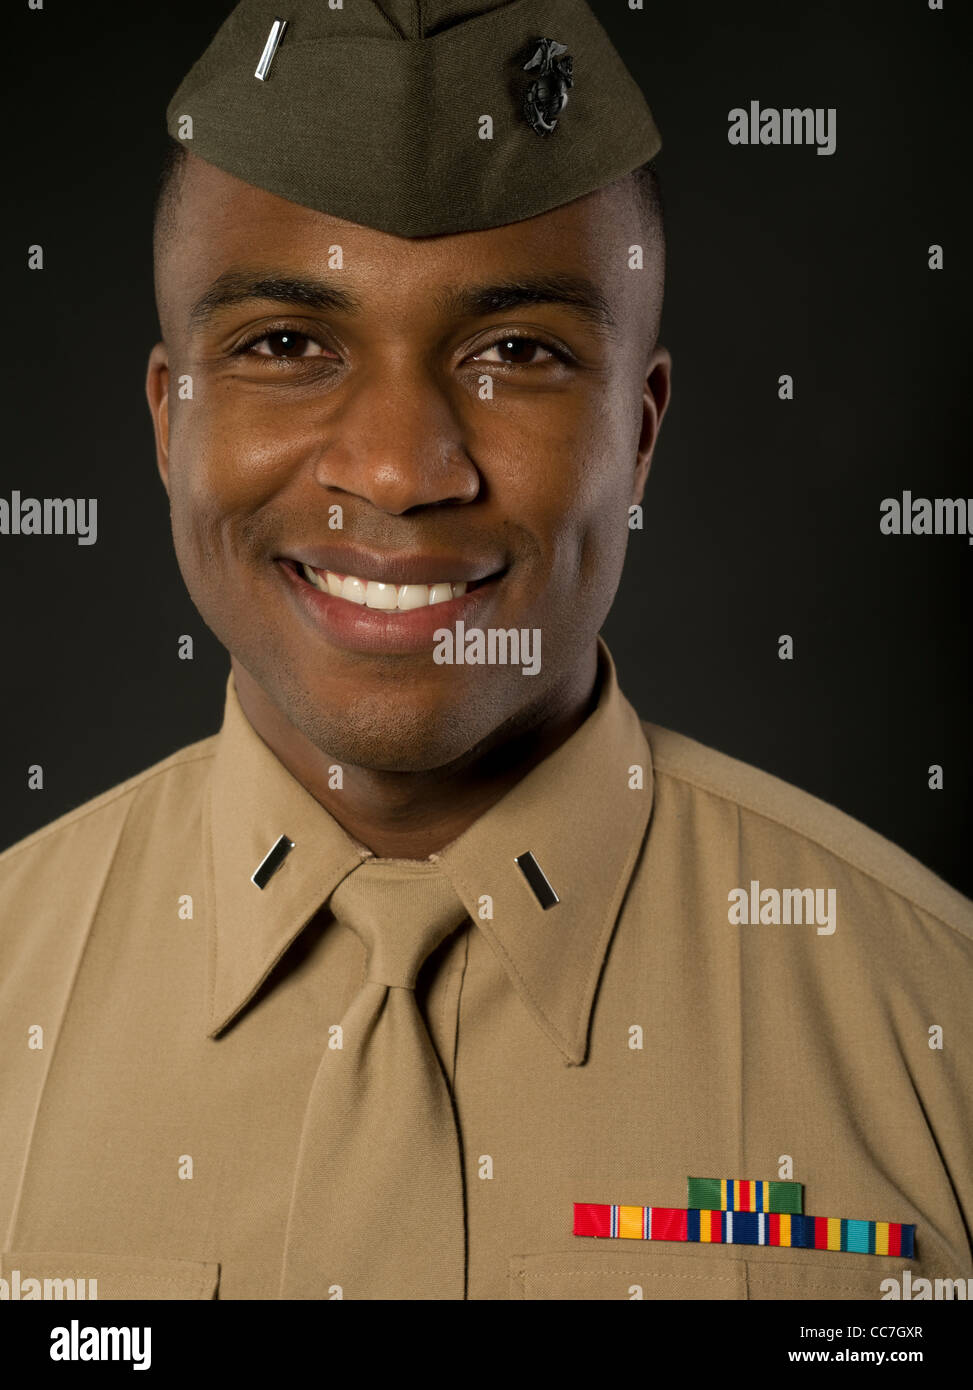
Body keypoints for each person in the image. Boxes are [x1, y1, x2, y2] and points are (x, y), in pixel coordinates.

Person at [0, 0, 969, 1302]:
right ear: (172, 423)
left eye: (516, 351)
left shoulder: (933, 1023)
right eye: (286, 344)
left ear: (637, 431)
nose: (399, 470)